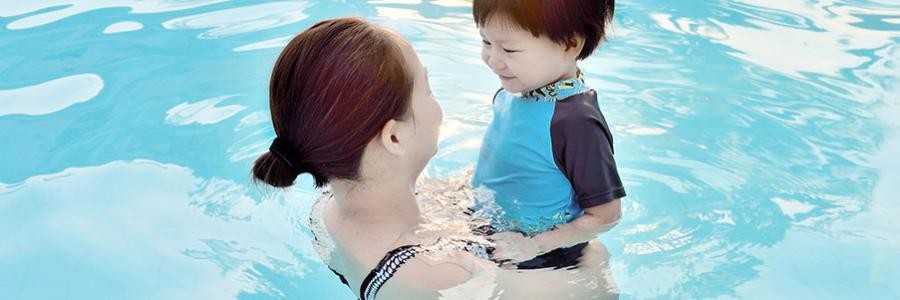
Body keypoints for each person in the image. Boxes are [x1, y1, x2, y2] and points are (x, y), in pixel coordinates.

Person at [469, 0, 627, 268]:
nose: (493, 61)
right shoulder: (514, 93)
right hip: (488, 227)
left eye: (509, 49)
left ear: (569, 45)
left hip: (542, 257)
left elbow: (606, 215)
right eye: (486, 42)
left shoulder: (576, 122)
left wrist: (535, 245)